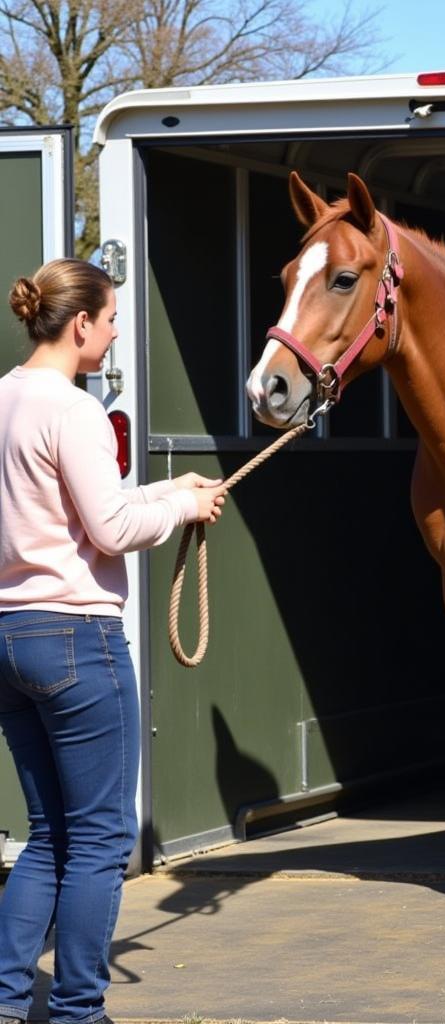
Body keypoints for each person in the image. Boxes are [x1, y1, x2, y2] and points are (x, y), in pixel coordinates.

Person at [0, 258, 226, 1024]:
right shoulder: (75, 410)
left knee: (48, 834)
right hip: (76, 638)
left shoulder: (4, 399)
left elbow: (78, 508)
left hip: (11, 635)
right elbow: (111, 527)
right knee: (101, 839)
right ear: (81, 324)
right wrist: (180, 514)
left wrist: (172, 491)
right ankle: (77, 1012)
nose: (117, 330)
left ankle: (4, 1003)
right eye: (113, 317)